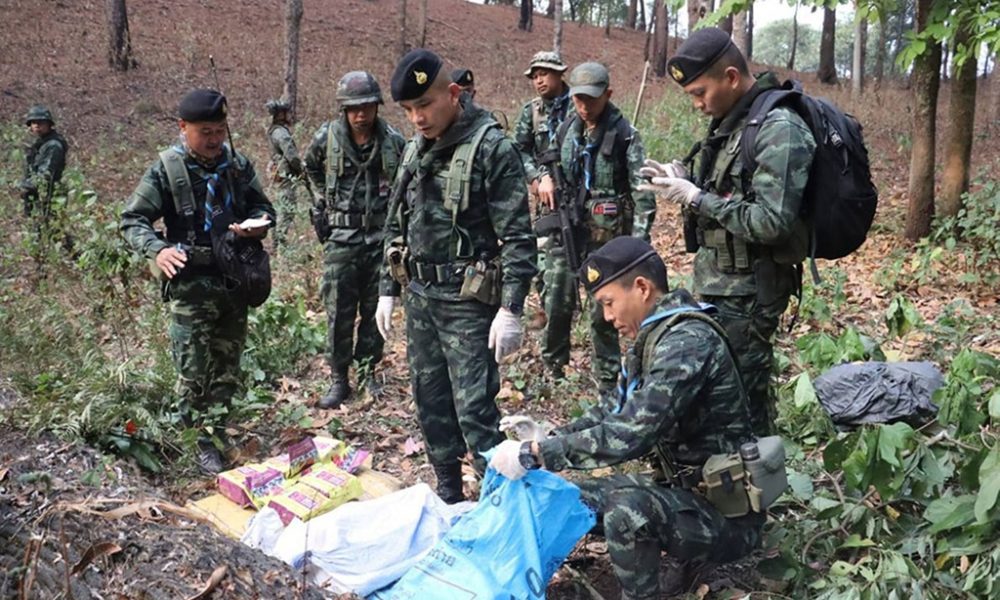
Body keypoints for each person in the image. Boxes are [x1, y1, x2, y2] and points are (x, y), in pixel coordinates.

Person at [490, 236, 763, 600]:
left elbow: (633, 432)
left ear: (641, 288)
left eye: (608, 303)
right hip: (683, 493)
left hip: (727, 517)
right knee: (562, 495)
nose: (606, 316)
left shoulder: (687, 341)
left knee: (627, 514)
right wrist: (551, 435)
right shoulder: (652, 337)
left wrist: (539, 454)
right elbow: (613, 410)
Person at [376, 49, 537, 503]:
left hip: (468, 301)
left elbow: (518, 238)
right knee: (431, 401)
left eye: (424, 105)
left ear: (453, 93)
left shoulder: (491, 148)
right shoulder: (414, 148)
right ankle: (448, 489)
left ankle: (498, 499)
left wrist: (511, 308)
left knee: (474, 409)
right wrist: (388, 290)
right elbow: (396, 223)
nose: (417, 118)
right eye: (408, 111)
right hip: (422, 295)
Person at [640, 27, 815, 435]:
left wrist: (697, 198)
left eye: (701, 93)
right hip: (722, 285)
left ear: (732, 77)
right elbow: (729, 188)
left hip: (752, 293)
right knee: (727, 395)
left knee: (743, 403)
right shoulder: (733, 122)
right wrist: (682, 179)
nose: (699, 105)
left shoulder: (778, 128)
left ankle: (759, 489)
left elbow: (772, 221)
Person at [121, 89, 276, 474]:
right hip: (190, 283)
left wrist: (257, 224)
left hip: (232, 278)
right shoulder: (168, 169)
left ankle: (215, 435)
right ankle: (193, 441)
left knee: (226, 366)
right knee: (193, 368)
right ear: (183, 128)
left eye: (220, 130)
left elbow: (264, 207)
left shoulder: (237, 165)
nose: (213, 140)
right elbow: (132, 218)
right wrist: (156, 249)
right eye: (205, 131)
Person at [539, 61, 656, 391]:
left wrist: (639, 246)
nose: (584, 106)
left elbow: (643, 194)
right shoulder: (565, 130)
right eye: (577, 99)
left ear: (608, 94)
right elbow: (543, 162)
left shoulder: (624, 135)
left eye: (591, 99)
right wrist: (543, 177)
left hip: (609, 240)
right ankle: (554, 369)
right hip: (567, 230)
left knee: (603, 310)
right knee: (557, 301)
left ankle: (606, 377)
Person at [304, 71, 406, 409]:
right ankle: (339, 377)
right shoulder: (327, 138)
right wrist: (324, 200)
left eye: (366, 107)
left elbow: (408, 180)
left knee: (376, 306)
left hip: (380, 237)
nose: (360, 115)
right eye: (353, 109)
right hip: (342, 239)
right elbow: (310, 167)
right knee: (338, 311)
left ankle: (367, 371)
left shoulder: (393, 140)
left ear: (376, 106)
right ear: (344, 110)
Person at [512, 51, 573, 314]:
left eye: (544, 74)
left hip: (579, 192)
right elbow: (519, 150)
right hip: (547, 197)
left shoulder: (579, 104)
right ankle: (550, 310)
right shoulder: (532, 112)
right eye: (535, 76)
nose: (539, 81)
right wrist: (536, 176)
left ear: (560, 74)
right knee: (545, 253)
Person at [264, 99, 304, 252]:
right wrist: (300, 169)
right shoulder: (280, 132)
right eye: (286, 112)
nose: (289, 115)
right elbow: (291, 155)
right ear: (280, 114)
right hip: (286, 177)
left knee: (280, 208)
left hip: (281, 175)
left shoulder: (275, 130)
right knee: (286, 210)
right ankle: (280, 245)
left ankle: (277, 244)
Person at [20, 105, 68, 222]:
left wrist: (23, 185)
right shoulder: (41, 143)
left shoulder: (53, 145)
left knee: (49, 230)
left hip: (49, 196)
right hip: (39, 196)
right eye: (33, 122)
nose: (37, 125)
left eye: (41, 122)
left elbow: (46, 174)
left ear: (49, 124)